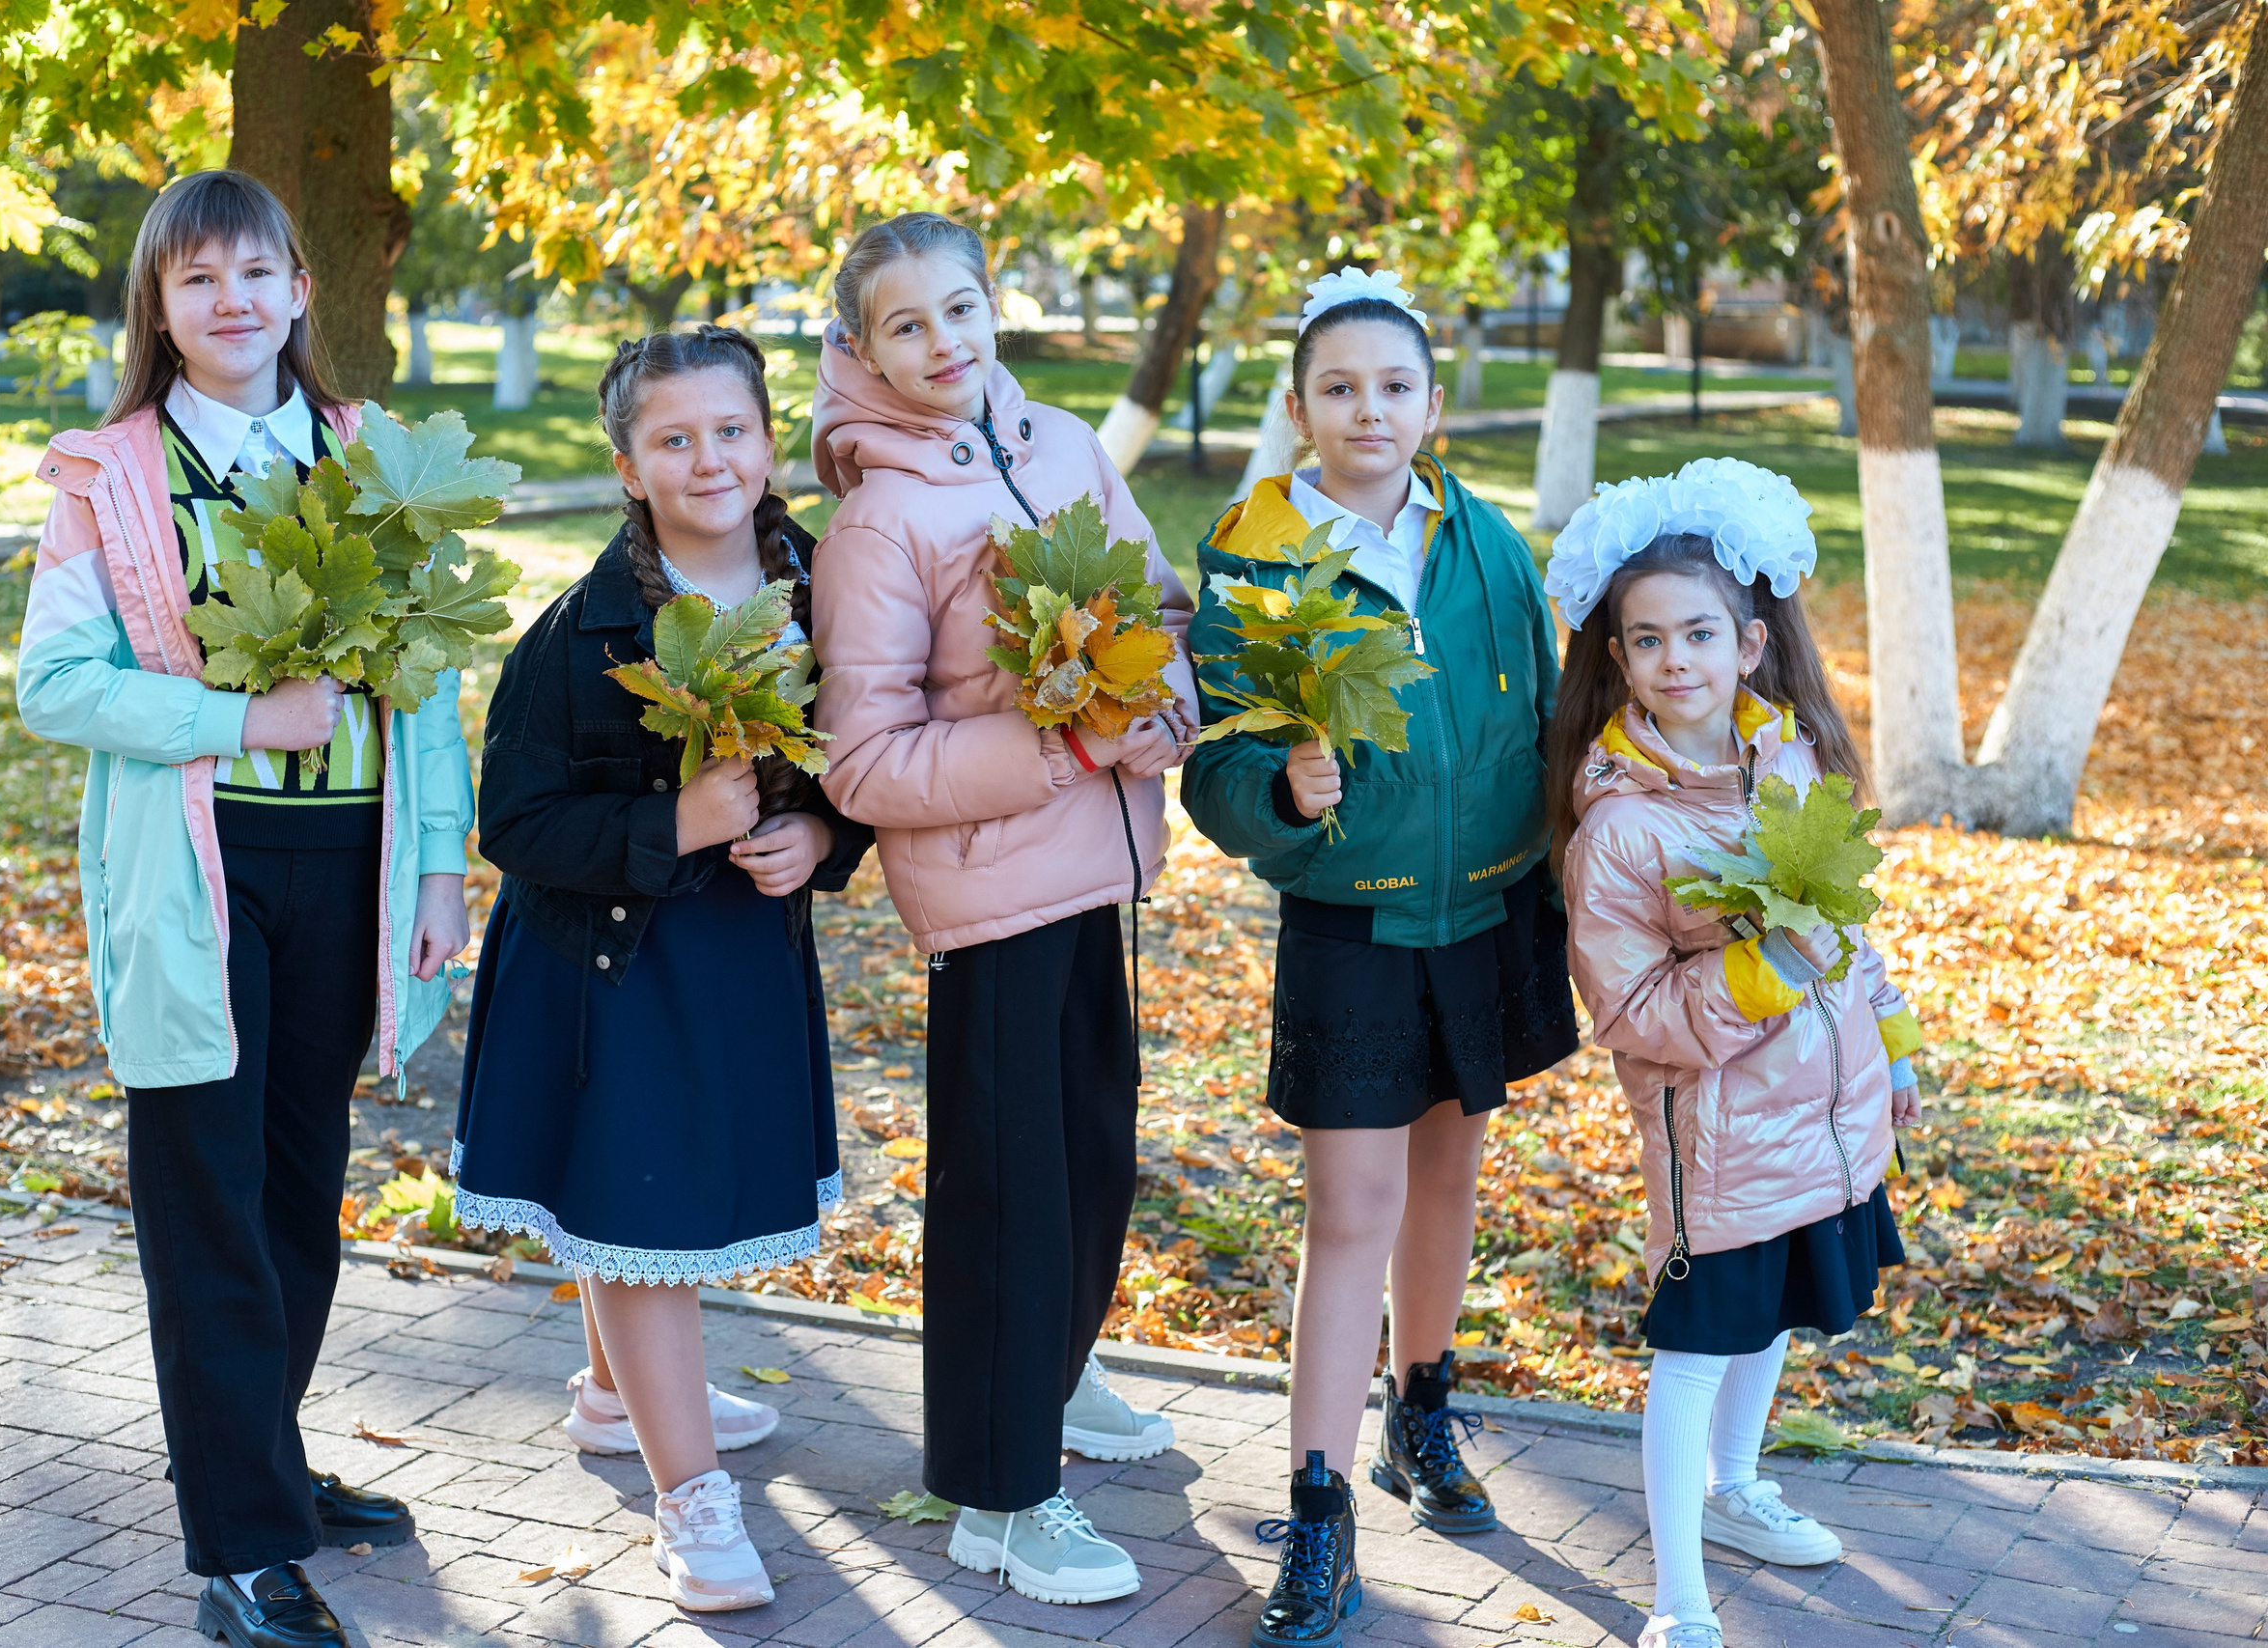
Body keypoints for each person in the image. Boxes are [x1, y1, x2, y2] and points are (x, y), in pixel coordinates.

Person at [15, 170, 473, 1648]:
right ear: (160, 305)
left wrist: (439, 867)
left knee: (296, 1188)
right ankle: (244, 1551)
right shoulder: (109, 473)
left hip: (347, 864)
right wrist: (235, 714)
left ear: (298, 288)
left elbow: (433, 684)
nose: (230, 300)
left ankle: (255, 1455)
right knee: (206, 1202)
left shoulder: (369, 459)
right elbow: (56, 686)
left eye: (254, 271)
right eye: (195, 277)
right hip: (194, 880)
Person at [1182, 266, 1579, 1648]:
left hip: (1485, 914)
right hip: (1353, 925)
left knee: (1448, 1172)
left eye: (1394, 385)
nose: (1369, 409)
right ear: (1299, 406)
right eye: (1339, 387)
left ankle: (1423, 1405)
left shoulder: (1487, 542)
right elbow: (1215, 768)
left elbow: (1544, 709)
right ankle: (1318, 1500)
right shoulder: (1257, 555)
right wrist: (1278, 796)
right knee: (1350, 1204)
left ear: (1434, 403)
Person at [810, 211, 1197, 1606]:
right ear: (863, 346)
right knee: (1010, 1196)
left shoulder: (1065, 447)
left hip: (1099, 868)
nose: (943, 343)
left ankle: (1058, 1369)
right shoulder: (877, 521)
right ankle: (998, 1491)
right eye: (906, 325)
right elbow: (862, 761)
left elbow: (1155, 607)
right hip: (988, 899)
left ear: (994, 304)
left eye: (960, 309)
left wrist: (1166, 711)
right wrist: (1061, 750)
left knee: (1095, 1157)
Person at [454, 325, 873, 1614]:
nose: (709, 458)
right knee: (637, 1213)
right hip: (607, 963)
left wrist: (825, 832)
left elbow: (863, 751)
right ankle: (693, 1504)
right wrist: (669, 828)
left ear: (769, 441)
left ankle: (609, 1392)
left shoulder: (829, 590)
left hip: (739, 951)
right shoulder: (581, 635)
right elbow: (513, 824)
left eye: (732, 430)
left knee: (640, 1190)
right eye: (674, 438)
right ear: (628, 465)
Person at [1541, 461, 1926, 1648]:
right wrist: (1766, 969)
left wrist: (1895, 1041)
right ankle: (1678, 1599)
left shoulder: (1793, 762)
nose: (1676, 660)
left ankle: (1735, 1489)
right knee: (1700, 1352)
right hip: (1718, 1145)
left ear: (1750, 641)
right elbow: (1633, 1012)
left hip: (1822, 1116)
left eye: (1698, 633)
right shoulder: (1622, 827)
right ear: (1617, 658)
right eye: (1646, 640)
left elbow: (1844, 922)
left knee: (1767, 1327)